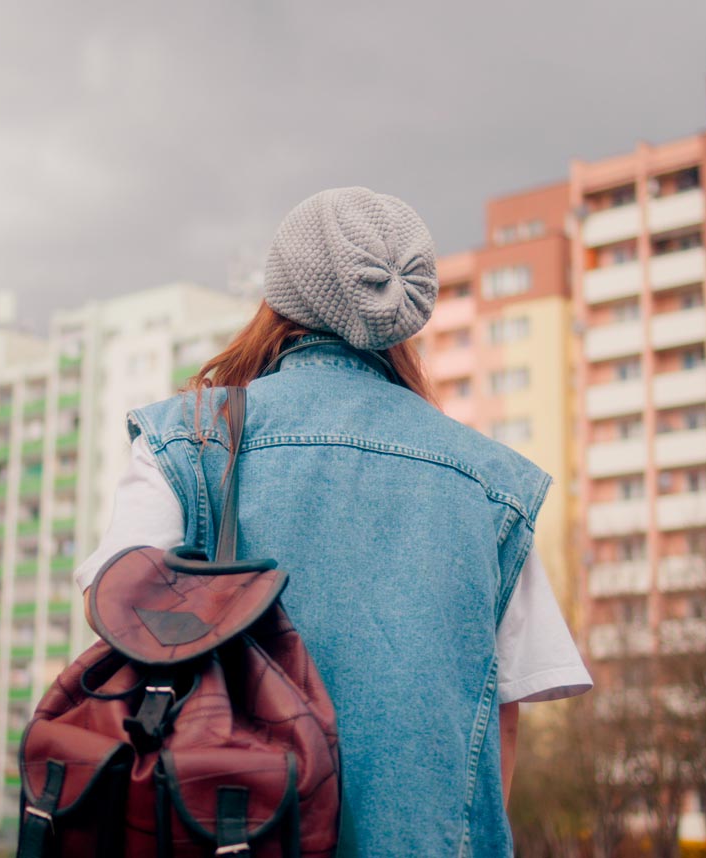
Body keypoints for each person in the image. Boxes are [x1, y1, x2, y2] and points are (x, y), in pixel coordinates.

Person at [75, 187, 590, 855]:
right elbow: (502, 725)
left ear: (282, 296)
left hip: (228, 832)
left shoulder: (187, 440)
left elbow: (114, 603)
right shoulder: (492, 484)